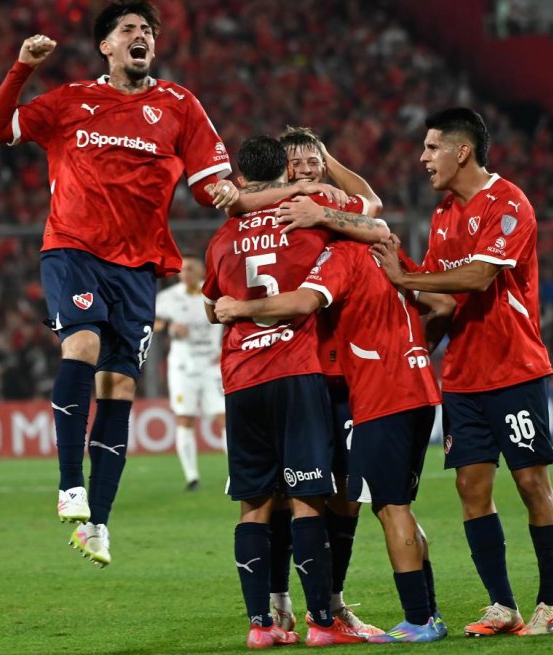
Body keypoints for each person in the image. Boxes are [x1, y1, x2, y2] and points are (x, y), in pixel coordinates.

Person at [0, 1, 240, 567]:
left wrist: (221, 192)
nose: (140, 36)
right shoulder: (71, 100)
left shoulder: (178, 104)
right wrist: (21, 67)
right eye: (129, 30)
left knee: (119, 388)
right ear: (107, 46)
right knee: (83, 345)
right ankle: (70, 483)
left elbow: (207, 180)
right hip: (73, 248)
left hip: (139, 268)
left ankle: (97, 521)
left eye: (147, 30)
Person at [373, 106, 553, 636]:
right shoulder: (442, 215)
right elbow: (443, 299)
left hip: (514, 368)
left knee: (531, 481)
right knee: (471, 487)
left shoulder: (509, 203)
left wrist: (406, 277)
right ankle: (502, 605)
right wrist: (411, 341)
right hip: (462, 377)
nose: (423, 158)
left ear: (462, 151)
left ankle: (550, 602)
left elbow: (479, 277)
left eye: (432, 147)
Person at [214, 233, 455, 643]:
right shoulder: (376, 247)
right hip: (389, 386)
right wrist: (413, 348)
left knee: (362, 502)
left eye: (314, 164)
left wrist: (239, 308)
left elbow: (305, 301)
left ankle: (349, 611)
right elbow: (445, 303)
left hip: (361, 390)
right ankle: (290, 603)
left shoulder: (346, 251)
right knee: (373, 503)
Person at [203, 135, 382, 649]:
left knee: (255, 502)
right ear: (285, 171)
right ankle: (322, 621)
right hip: (298, 369)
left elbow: (210, 307)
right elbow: (373, 217)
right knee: (311, 498)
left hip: (241, 378)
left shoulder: (222, 237)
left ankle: (262, 623)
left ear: (238, 178)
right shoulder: (313, 207)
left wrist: (236, 309)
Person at [263, 126, 384, 638]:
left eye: (314, 157)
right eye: (297, 159)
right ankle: (279, 598)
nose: (307, 166)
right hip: (293, 367)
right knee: (285, 494)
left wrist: (329, 163)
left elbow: (372, 206)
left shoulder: (332, 201)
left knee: (344, 494)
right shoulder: (270, 208)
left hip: (343, 372)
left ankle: (331, 601)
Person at [154, 255, 225, 491]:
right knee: (185, 418)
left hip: (213, 364)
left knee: (224, 417)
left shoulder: (216, 291)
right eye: (182, 269)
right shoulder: (167, 298)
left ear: (201, 271)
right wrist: (170, 329)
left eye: (191, 268)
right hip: (183, 366)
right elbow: (155, 323)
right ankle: (192, 477)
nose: (185, 273)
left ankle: (235, 473)